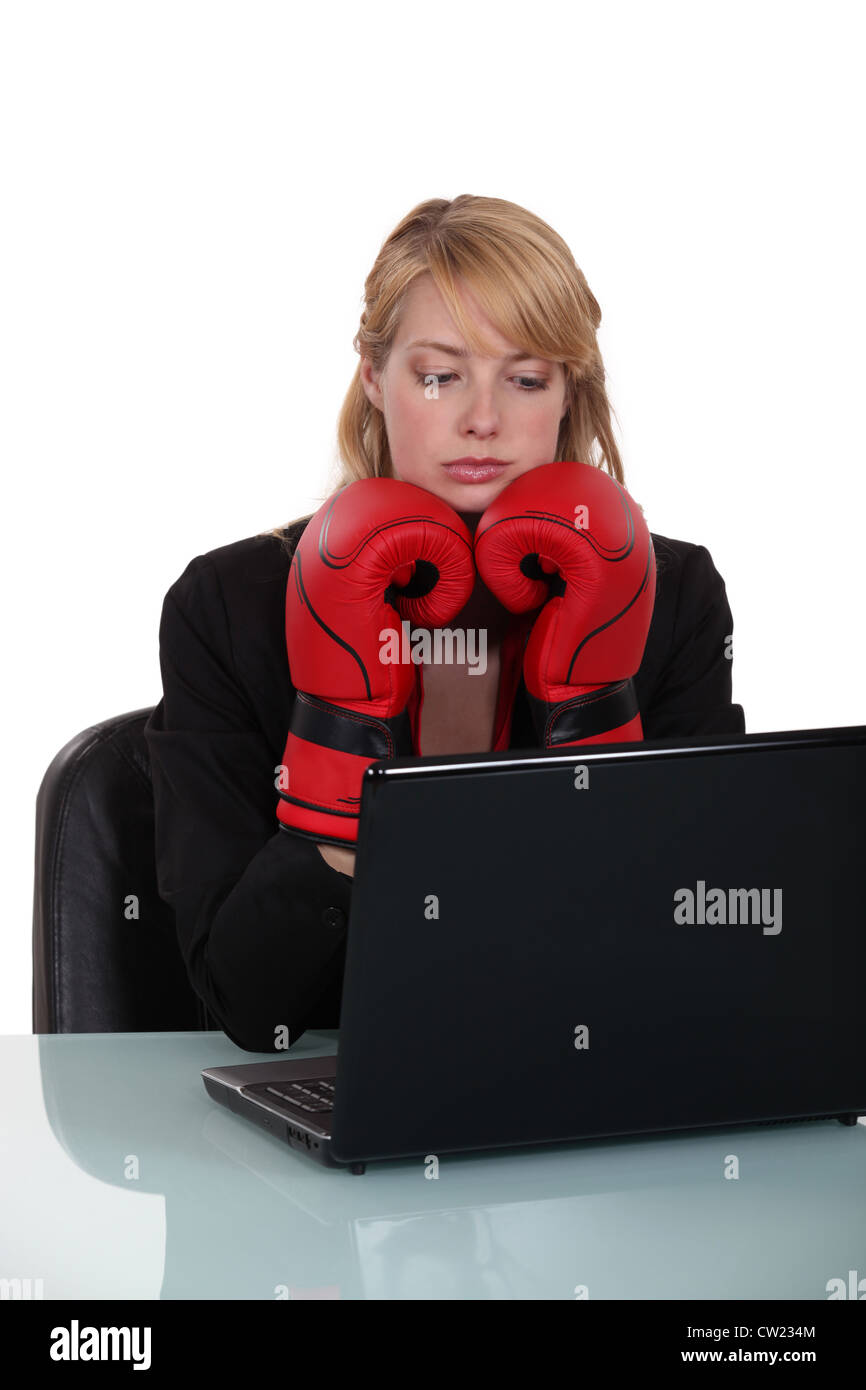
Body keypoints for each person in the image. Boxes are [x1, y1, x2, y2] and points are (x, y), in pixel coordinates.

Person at [144, 194, 745, 1053]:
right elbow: (246, 1003)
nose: (484, 420)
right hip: (332, 1099)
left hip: (589, 1094)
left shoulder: (674, 593)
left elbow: (703, 946)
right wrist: (338, 756)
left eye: (526, 378)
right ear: (372, 378)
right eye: (440, 375)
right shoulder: (228, 606)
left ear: (568, 394)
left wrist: (596, 722)